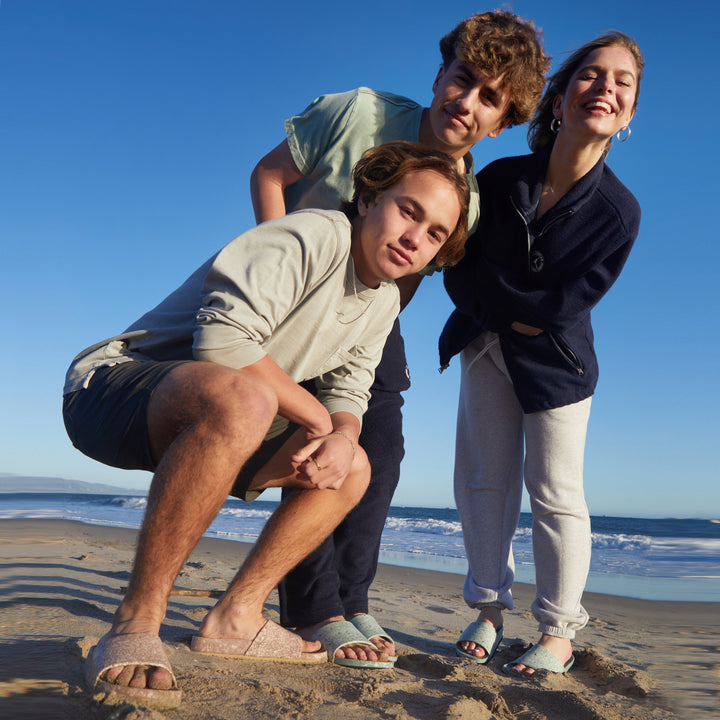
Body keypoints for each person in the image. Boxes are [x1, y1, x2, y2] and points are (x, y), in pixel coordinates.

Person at [62, 142, 469, 704]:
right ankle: (137, 621)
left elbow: (350, 391)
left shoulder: (382, 304)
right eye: (408, 211)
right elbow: (223, 343)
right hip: (110, 391)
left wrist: (344, 434)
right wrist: (320, 420)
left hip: (222, 422)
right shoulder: (313, 235)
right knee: (247, 399)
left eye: (435, 234)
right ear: (370, 200)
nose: (414, 238)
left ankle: (236, 615)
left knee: (355, 467)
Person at [251, 10, 548, 667]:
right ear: (440, 71)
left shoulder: (464, 204)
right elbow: (269, 176)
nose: (466, 103)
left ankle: (352, 601)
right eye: (463, 79)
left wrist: (360, 345)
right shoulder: (356, 114)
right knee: (316, 448)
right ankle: (313, 608)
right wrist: (275, 273)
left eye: (489, 99)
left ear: (502, 123)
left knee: (380, 454)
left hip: (368, 320)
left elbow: (402, 285)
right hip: (284, 305)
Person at [439, 31, 644, 676]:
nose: (605, 87)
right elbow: (455, 267)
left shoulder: (619, 211)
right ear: (559, 97)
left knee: (555, 493)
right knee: (481, 481)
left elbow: (565, 304)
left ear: (628, 115)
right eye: (591, 74)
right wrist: (506, 311)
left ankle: (558, 630)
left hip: (558, 366)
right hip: (483, 346)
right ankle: (488, 611)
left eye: (622, 82)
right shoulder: (499, 180)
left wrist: (504, 302)